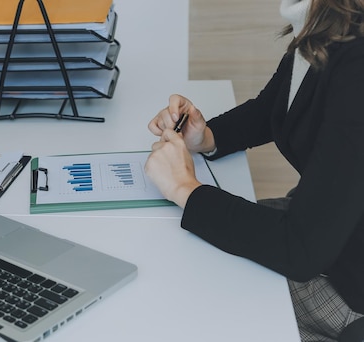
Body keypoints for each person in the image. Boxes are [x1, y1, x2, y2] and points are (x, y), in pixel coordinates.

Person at [145, 0, 364, 340]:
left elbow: (301, 251)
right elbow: (274, 107)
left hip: (345, 282)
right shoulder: (326, 22)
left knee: (182, 303)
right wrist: (207, 137)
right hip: (322, 230)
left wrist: (185, 189)